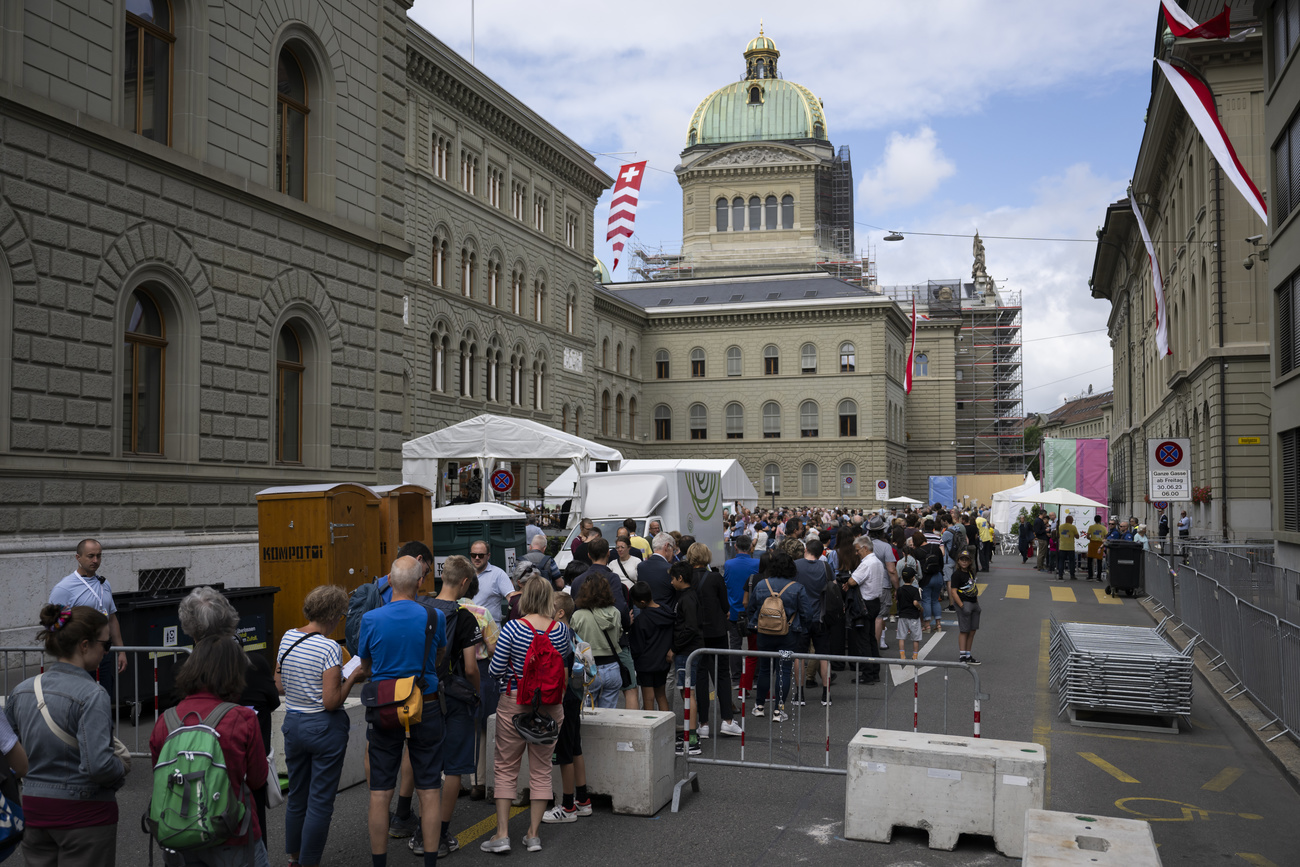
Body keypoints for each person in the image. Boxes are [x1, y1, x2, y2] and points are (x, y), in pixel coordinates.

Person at [8, 605, 127, 867]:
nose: (107, 652)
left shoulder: (22, 691)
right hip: (85, 814)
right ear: (85, 645)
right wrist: (121, 769)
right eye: (105, 645)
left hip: (35, 809)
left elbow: (12, 751)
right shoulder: (92, 695)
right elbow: (99, 765)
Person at [357, 556, 448, 867]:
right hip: (427, 701)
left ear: (390, 583)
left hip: (385, 704)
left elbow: (365, 665)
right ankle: (431, 861)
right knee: (429, 788)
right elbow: (438, 657)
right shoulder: (435, 617)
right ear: (419, 582)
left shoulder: (370, 619)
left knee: (381, 792)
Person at [152, 634, 270, 866]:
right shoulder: (242, 718)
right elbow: (257, 779)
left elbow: (160, 776)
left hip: (178, 834)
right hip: (232, 833)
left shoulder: (166, 721)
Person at [177, 587, 280, 844]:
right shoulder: (254, 665)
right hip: (245, 778)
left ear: (190, 628)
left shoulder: (181, 669)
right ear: (230, 622)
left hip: (195, 775)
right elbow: (273, 702)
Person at [275, 585, 365, 867]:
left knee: (298, 796)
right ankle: (310, 862)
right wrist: (352, 678)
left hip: (294, 724)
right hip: (323, 728)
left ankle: (294, 857)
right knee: (320, 801)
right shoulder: (330, 647)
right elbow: (331, 701)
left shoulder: (288, 637)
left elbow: (278, 684)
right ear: (333, 616)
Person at [483, 576, 572, 853]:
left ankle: (502, 834)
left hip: (514, 702)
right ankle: (533, 835)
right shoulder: (560, 631)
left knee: (506, 768)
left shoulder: (512, 629)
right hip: (550, 705)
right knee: (542, 769)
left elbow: (495, 669)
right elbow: (565, 661)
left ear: (524, 599)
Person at [408, 554, 483, 859]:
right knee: (454, 766)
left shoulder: (419, 609)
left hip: (418, 695)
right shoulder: (465, 617)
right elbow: (469, 667)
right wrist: (476, 694)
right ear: (465, 582)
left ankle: (421, 829)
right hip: (451, 696)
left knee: (424, 763)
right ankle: (440, 833)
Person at [48, 539, 126, 702]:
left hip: (102, 654)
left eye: (99, 556)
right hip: (78, 657)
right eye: (90, 556)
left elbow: (111, 619)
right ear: (78, 557)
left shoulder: (104, 584)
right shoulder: (65, 588)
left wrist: (121, 650)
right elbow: (55, 626)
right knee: (79, 701)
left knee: (103, 699)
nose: (95, 561)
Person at [746, 551, 816, 721]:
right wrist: (802, 629)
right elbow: (807, 613)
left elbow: (751, 608)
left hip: (764, 633)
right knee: (784, 670)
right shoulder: (797, 588)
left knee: (764, 669)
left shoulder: (762, 584)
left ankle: (760, 706)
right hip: (789, 634)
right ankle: (779, 710)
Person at [541, 592, 592, 825]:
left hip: (563, 698)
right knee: (575, 748)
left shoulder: (558, 635)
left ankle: (568, 806)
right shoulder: (573, 634)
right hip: (575, 696)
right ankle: (583, 800)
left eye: (549, 606)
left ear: (560, 613)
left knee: (564, 754)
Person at [688, 543, 740, 736]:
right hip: (717, 632)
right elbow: (725, 606)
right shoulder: (715, 577)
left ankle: (703, 723)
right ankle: (727, 720)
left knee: (700, 678)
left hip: (696, 634)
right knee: (722, 676)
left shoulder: (687, 578)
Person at [570, 576, 623, 709]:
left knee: (587, 715)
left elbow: (571, 641)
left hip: (588, 669)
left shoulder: (578, 615)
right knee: (609, 716)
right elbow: (619, 635)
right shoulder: (615, 613)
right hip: (613, 667)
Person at [668, 562, 704, 754]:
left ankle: (692, 740)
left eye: (673, 578)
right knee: (687, 693)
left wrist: (674, 648)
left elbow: (690, 627)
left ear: (680, 578)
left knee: (688, 694)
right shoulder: (688, 596)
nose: (671, 582)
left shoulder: (687, 599)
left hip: (687, 651)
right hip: (689, 649)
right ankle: (691, 735)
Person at [793, 539, 833, 707]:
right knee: (823, 655)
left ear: (806, 549)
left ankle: (800, 694)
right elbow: (832, 587)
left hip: (800, 617)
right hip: (820, 616)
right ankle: (826, 694)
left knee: (799, 656)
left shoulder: (795, 565)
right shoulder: (825, 567)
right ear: (820, 553)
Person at [628, 582, 674, 713]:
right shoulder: (666, 612)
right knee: (661, 695)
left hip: (645, 665)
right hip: (663, 661)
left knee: (648, 698)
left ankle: (651, 728)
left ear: (642, 602)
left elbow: (637, 647)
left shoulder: (641, 620)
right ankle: (667, 727)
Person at [723, 535, 760, 684]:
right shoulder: (757, 563)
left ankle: (736, 678)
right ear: (751, 547)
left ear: (736, 546)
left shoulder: (729, 564)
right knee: (754, 646)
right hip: (753, 611)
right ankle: (755, 677)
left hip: (734, 610)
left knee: (735, 645)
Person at [949, 553, 981, 665]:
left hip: (973, 603)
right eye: (962, 559)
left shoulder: (971, 572)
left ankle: (968, 654)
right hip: (964, 603)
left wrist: (976, 602)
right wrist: (962, 606)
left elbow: (973, 586)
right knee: (964, 630)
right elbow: (953, 591)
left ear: (970, 561)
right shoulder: (956, 575)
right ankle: (962, 655)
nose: (964, 562)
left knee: (972, 630)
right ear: (958, 561)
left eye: (966, 560)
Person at [471, 541, 515, 621]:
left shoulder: (498, 574)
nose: (477, 558)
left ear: (488, 556)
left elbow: (512, 599)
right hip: (468, 627)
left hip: (491, 628)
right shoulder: (465, 573)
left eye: (481, 555)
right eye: (474, 555)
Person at [638, 533, 678, 607]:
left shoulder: (641, 567)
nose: (673, 554)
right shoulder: (670, 569)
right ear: (666, 546)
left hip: (647, 614)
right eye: (673, 549)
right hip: (667, 614)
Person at [896, 569, 923, 660]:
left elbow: (897, 601)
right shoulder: (915, 590)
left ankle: (902, 655)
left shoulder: (899, 590)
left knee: (901, 637)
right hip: (913, 616)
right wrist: (920, 607)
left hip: (902, 615)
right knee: (915, 637)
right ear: (913, 578)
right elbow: (915, 602)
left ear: (902, 577)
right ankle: (914, 656)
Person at [1056, 515, 1081, 581]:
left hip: (1062, 546)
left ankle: (1060, 575)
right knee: (1072, 562)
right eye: (1072, 520)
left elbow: (1057, 535)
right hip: (1070, 547)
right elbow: (1077, 536)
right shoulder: (1073, 527)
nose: (1072, 521)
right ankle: (1072, 575)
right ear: (1070, 520)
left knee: (1061, 561)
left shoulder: (1060, 527)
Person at [1085, 514, 1107, 581]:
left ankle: (1090, 575)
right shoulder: (1103, 528)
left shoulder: (1091, 527)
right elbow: (1106, 536)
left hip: (1092, 543)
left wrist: (1091, 538)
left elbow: (1087, 536)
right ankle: (1098, 577)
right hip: (1099, 544)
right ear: (1100, 520)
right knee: (1099, 561)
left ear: (1094, 520)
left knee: (1090, 560)